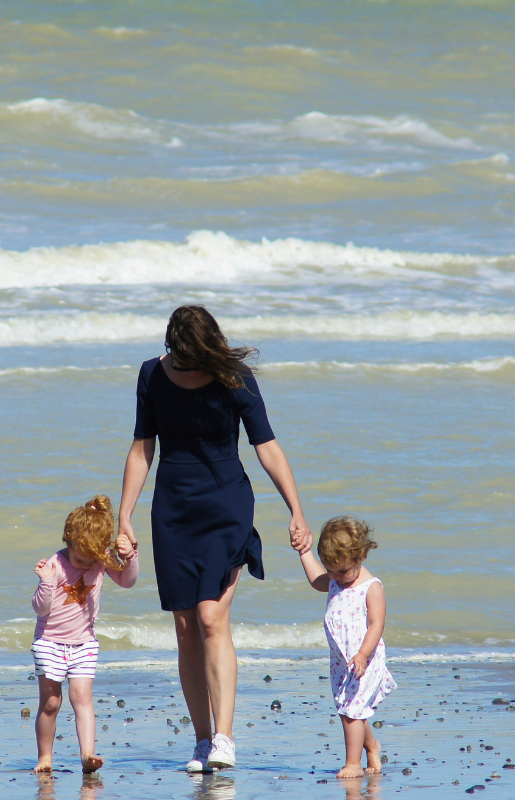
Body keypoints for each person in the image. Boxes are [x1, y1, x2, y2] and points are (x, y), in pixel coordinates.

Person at [118, 305, 311, 773]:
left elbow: (266, 445)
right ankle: (202, 741)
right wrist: (125, 515)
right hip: (173, 511)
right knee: (185, 630)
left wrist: (296, 511)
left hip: (225, 505)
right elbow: (144, 446)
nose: (185, 365)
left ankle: (224, 738)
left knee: (210, 618)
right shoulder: (152, 375)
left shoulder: (235, 377)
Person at [31, 495, 139, 774]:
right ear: (68, 542)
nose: (85, 567)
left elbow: (127, 581)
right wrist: (45, 583)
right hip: (50, 642)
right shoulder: (55, 564)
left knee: (82, 698)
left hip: (84, 643)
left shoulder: (100, 561)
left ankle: (88, 755)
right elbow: (41, 609)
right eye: (80, 559)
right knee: (51, 702)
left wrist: (129, 557)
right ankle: (45, 756)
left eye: (92, 562)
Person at [297, 515, 396, 778]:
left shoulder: (370, 587)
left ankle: (353, 763)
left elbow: (376, 624)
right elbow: (316, 579)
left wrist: (363, 655)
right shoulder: (333, 578)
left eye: (342, 571)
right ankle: (372, 745)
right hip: (341, 660)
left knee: (352, 712)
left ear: (360, 556)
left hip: (364, 658)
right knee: (348, 710)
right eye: (331, 570)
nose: (336, 577)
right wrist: (304, 552)